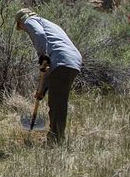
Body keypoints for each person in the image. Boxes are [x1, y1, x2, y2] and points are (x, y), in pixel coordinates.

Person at [15, 8, 82, 145]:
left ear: (21, 21)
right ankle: (56, 137)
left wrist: (42, 55)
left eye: (21, 27)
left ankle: (56, 140)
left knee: (57, 104)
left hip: (62, 61)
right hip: (72, 61)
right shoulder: (49, 24)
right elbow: (48, 67)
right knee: (58, 101)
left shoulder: (30, 20)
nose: (23, 29)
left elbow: (39, 34)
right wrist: (42, 90)